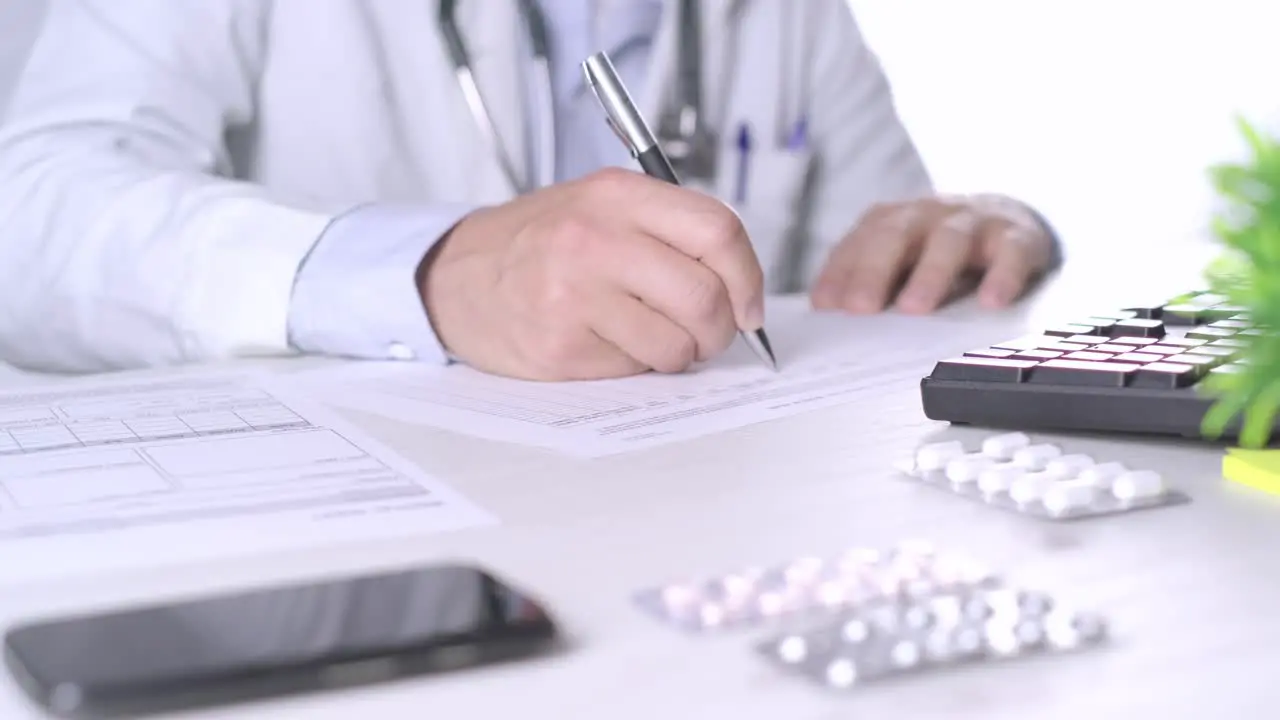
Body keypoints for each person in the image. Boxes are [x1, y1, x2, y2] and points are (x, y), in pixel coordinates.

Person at [0, 0, 1059, 381]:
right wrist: (424, 273)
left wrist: (968, 229)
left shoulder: (787, 12)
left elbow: (876, 258)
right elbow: (32, 214)